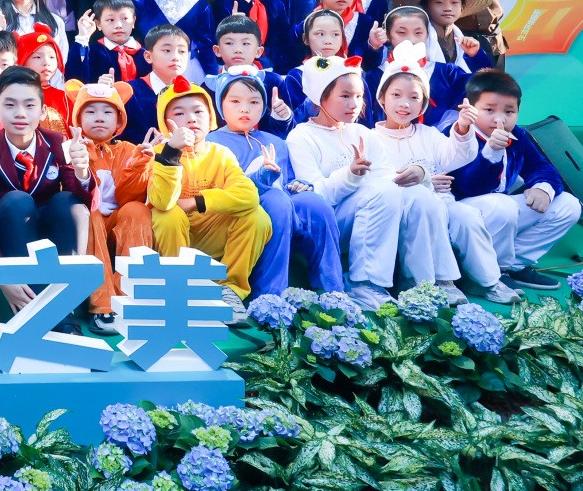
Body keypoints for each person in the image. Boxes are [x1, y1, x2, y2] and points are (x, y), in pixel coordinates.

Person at [283, 60, 414, 310]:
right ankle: (361, 283)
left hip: (367, 218)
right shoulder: (301, 136)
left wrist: (421, 175)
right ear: (321, 96)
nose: (354, 104)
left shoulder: (362, 132)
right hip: (329, 227)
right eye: (345, 96)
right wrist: (350, 174)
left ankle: (405, 282)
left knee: (405, 194)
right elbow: (314, 195)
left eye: (359, 96)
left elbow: (386, 177)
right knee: (382, 192)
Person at [362, 42, 483, 303]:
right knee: (421, 200)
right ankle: (424, 281)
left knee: (465, 214)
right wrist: (426, 180)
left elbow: (457, 156)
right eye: (396, 95)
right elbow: (374, 180)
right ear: (381, 98)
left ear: (424, 103)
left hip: (438, 206)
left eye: (414, 97)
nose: (404, 104)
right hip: (395, 212)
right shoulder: (370, 137)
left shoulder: (428, 134)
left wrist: (462, 128)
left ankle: (478, 279)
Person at [146, 77, 272, 322]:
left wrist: (196, 202)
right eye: (179, 113)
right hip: (170, 239)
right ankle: (179, 289)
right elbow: (161, 202)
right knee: (168, 214)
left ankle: (230, 290)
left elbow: (248, 195)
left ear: (211, 118)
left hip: (211, 235)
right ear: (165, 123)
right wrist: (171, 152)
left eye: (198, 111)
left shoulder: (221, 154)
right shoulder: (157, 154)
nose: (191, 119)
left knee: (257, 217)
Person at [206, 70, 342, 297]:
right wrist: (261, 179)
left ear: (264, 106)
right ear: (221, 104)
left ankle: (332, 290)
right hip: (244, 210)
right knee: (276, 200)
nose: (245, 109)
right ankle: (270, 294)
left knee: (315, 203)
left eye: (254, 102)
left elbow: (286, 180)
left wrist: (299, 185)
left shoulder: (275, 141)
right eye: (235, 102)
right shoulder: (213, 142)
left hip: (284, 204)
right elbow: (223, 189)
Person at [445, 69, 582, 292]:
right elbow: (468, 188)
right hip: (461, 216)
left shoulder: (518, 135)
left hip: (499, 212)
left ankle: (514, 265)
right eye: (489, 110)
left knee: (568, 205)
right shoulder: (458, 134)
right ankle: (491, 270)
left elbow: (542, 167)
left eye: (509, 111)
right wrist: (491, 153)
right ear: (469, 108)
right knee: (503, 205)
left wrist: (542, 188)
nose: (499, 119)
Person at [0, 67, 82, 314]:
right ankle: (32, 309)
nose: (20, 113)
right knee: (17, 201)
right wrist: (2, 275)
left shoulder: (58, 142)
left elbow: (81, 201)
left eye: (29, 105)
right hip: (12, 231)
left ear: (42, 111)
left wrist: (82, 172)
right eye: (10, 105)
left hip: (52, 231)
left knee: (68, 202)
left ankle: (65, 305)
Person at [64, 79, 151, 336]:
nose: (99, 118)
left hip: (118, 219)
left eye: (107, 112)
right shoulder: (70, 148)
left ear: (119, 119)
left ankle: (130, 297)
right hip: (90, 222)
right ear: (78, 118)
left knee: (138, 210)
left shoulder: (129, 149)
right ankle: (103, 305)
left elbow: (130, 196)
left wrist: (140, 165)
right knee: (89, 215)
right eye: (90, 111)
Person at [114, 24, 192, 143]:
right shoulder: (128, 92)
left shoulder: (193, 93)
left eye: (182, 51)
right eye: (167, 50)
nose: (176, 57)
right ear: (148, 56)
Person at [67, 0, 148, 85]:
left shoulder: (146, 53)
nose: (118, 25)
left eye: (125, 18)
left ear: (133, 21)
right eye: (111, 20)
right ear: (98, 24)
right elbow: (74, 80)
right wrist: (83, 36)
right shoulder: (92, 52)